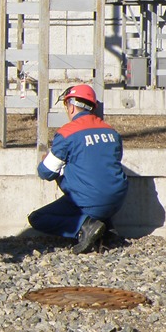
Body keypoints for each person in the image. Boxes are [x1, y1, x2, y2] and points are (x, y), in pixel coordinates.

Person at [27, 84, 128, 254]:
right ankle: (107, 230)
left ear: (71, 106)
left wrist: (49, 162)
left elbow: (45, 172)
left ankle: (86, 226)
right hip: (117, 200)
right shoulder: (112, 132)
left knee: (38, 218)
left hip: (88, 200)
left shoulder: (68, 133)